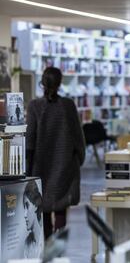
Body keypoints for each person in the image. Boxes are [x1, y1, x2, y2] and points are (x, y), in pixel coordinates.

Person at [26, 67, 86, 239]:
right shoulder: (67, 105)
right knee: (61, 206)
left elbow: (29, 141)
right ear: (60, 83)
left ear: (42, 82)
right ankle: (59, 246)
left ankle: (46, 243)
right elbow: (78, 138)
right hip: (65, 166)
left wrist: (28, 170)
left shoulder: (35, 106)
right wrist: (78, 160)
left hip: (40, 167)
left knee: (42, 207)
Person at [23, 180, 43, 259]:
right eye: (24, 207)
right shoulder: (27, 243)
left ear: (36, 205)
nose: (24, 215)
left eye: (27, 206)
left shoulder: (42, 238)